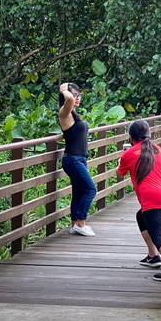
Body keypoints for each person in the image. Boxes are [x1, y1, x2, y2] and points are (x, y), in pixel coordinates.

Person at [117, 119, 161, 282]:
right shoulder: (158, 149)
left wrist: (121, 160)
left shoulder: (128, 154)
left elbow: (120, 174)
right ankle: (153, 256)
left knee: (158, 235)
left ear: (131, 138)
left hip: (153, 198)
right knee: (141, 216)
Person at [59, 82, 97, 236]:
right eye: (74, 95)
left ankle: (75, 223)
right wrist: (63, 88)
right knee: (90, 190)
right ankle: (81, 223)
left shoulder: (74, 113)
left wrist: (69, 91)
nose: (77, 98)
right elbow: (68, 99)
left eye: (78, 95)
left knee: (79, 192)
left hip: (79, 159)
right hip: (73, 159)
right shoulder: (65, 112)